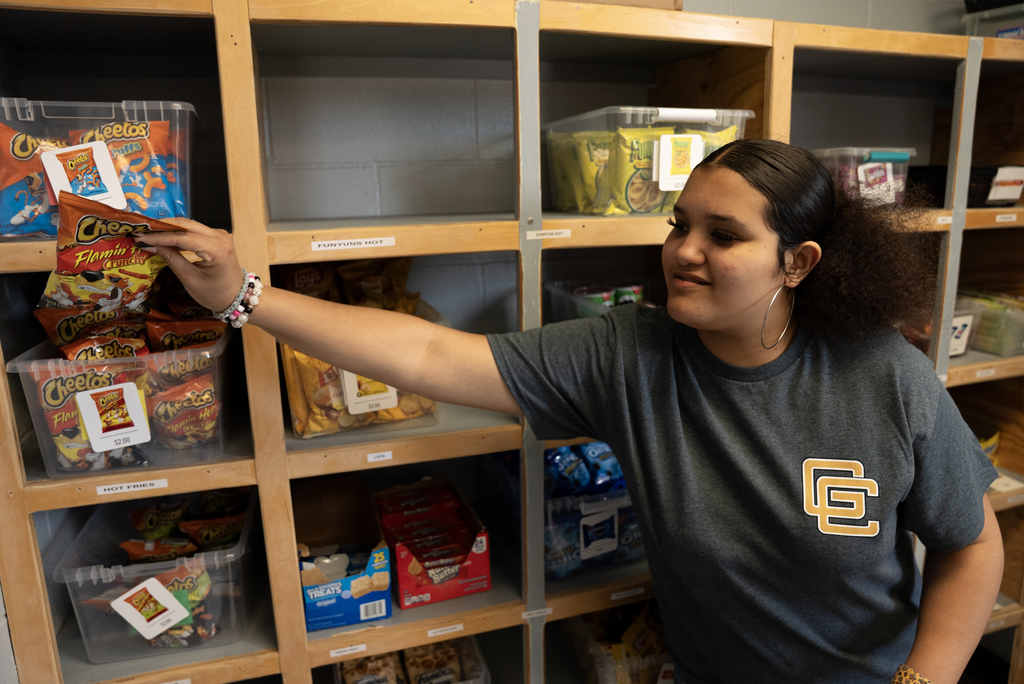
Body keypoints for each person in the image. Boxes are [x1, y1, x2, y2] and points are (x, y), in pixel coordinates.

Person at [139, 139, 1002, 684]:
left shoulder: (882, 376)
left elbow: (969, 542)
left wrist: (924, 679)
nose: (684, 253)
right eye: (678, 225)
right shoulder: (630, 353)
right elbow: (434, 355)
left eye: (725, 236)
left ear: (798, 262)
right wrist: (243, 294)